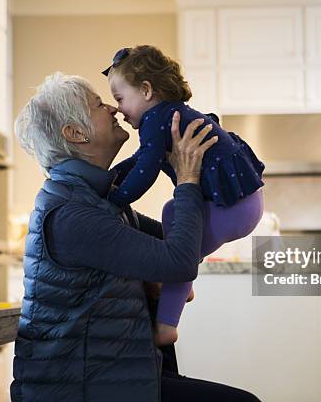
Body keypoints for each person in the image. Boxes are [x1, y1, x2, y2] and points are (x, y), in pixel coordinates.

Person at [11, 72, 261, 402]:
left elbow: (177, 246)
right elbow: (180, 262)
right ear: (75, 134)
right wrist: (187, 179)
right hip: (80, 387)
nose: (114, 110)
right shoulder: (72, 213)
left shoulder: (97, 200)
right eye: (99, 104)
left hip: (112, 375)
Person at [102, 45, 265, 345]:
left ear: (147, 91)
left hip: (232, 208)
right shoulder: (168, 114)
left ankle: (166, 326)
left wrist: (118, 197)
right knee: (172, 212)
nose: (119, 110)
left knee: (178, 246)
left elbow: (147, 169)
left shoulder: (155, 120)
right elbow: (141, 159)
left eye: (120, 99)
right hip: (244, 203)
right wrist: (110, 178)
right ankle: (182, 286)